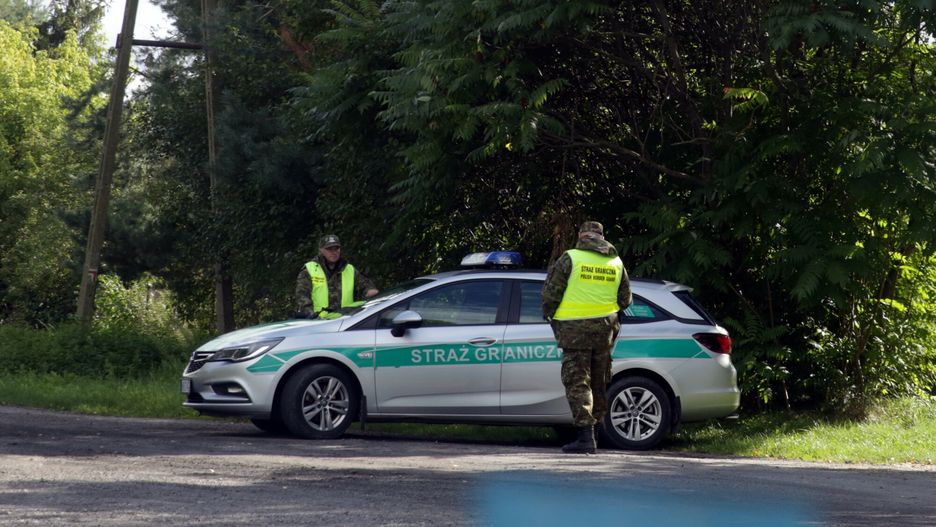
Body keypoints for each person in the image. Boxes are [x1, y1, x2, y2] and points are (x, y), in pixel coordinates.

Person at [542, 220, 632, 454]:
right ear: (601, 237)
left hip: (574, 332)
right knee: (599, 381)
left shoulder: (570, 258)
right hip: (605, 330)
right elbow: (626, 301)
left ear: (582, 235)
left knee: (578, 381)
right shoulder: (616, 262)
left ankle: (585, 438)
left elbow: (551, 294)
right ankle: (597, 434)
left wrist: (549, 314)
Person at [295, 234, 379, 319]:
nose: (333, 252)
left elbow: (366, 285)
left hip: (345, 321)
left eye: (336, 248)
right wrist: (311, 315)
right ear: (321, 250)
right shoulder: (309, 270)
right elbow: (302, 297)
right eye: (329, 249)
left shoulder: (349, 269)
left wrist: (370, 290)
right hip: (319, 322)